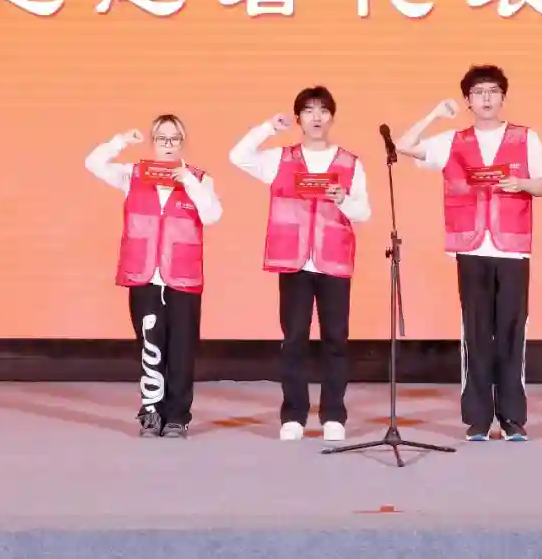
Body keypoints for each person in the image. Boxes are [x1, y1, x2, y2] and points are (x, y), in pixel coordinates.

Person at [395, 64, 542, 442]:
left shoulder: (525, 137)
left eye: (493, 91)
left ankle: (512, 419)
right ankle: (478, 419)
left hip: (512, 248)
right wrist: (435, 114)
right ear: (468, 100)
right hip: (470, 245)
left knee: (512, 332)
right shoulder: (453, 140)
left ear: (503, 97)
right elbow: (404, 145)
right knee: (477, 333)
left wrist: (521, 183)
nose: (486, 98)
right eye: (479, 92)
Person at [229, 86, 371, 442]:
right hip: (293, 260)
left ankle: (333, 415)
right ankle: (293, 415)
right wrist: (267, 128)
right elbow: (238, 156)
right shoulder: (280, 158)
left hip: (333, 260)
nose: (316, 117)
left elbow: (363, 212)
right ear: (298, 119)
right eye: (308, 111)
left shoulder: (350, 162)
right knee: (294, 339)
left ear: (332, 117)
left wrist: (344, 200)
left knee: (335, 339)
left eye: (323, 110)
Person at [85, 114, 223, 438]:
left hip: (183, 277)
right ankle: (151, 412)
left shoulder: (199, 179)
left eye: (174, 139)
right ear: (153, 142)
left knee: (182, 349)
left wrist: (188, 181)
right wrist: (120, 141)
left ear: (183, 142)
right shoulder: (133, 175)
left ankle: (177, 417)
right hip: (144, 274)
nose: (168, 145)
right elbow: (93, 163)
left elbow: (212, 215)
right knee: (150, 346)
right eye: (162, 138)